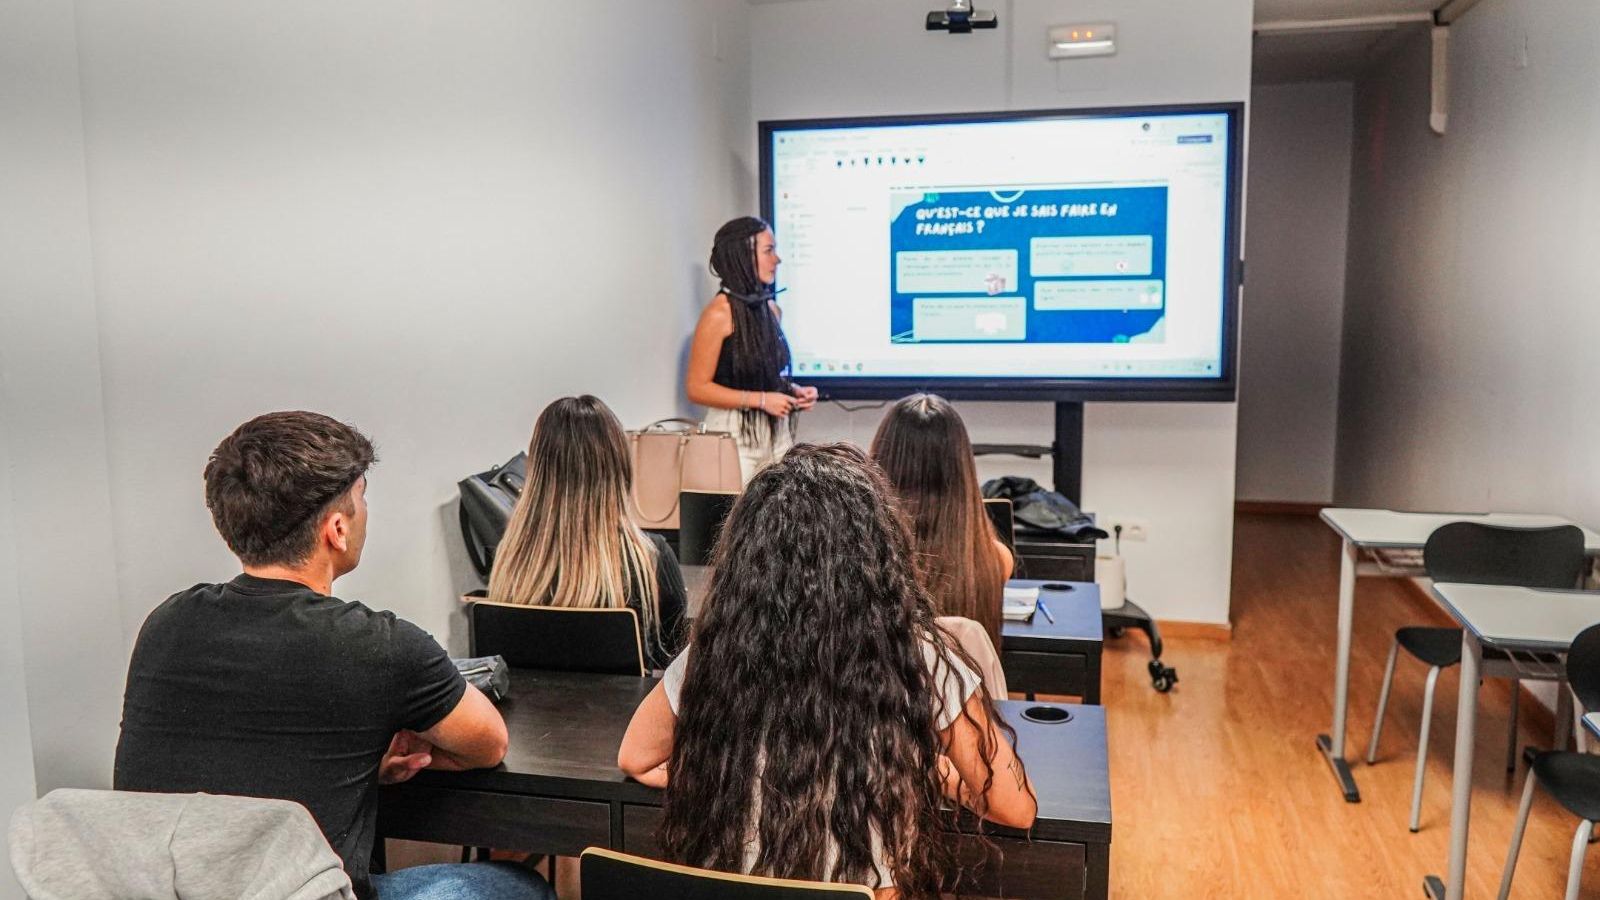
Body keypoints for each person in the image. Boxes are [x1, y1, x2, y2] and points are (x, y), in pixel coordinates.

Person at [113, 411, 554, 900]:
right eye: (362, 500)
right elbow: (487, 743)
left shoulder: (165, 625)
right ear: (338, 529)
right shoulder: (382, 646)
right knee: (520, 886)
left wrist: (364, 763)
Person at [617, 444, 1036, 899]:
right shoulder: (920, 656)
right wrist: (920, 772)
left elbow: (635, 757)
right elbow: (1015, 807)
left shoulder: (716, 652)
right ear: (876, 553)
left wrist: (728, 773)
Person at [487, 395, 687, 669]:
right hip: (622, 711)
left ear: (537, 472)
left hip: (520, 711)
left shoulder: (511, 560)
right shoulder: (649, 558)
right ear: (620, 469)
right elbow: (674, 659)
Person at [871, 393, 1014, 647]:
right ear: (961, 468)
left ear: (882, 461)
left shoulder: (859, 558)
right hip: (962, 688)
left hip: (876, 688)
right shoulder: (997, 560)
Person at [685, 216, 818, 483]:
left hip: (776, 435)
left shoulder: (771, 310)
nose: (777, 260)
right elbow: (697, 387)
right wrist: (761, 400)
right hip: (733, 437)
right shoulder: (718, 314)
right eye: (769, 251)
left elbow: (758, 375)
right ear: (742, 257)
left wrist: (792, 391)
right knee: (734, 520)